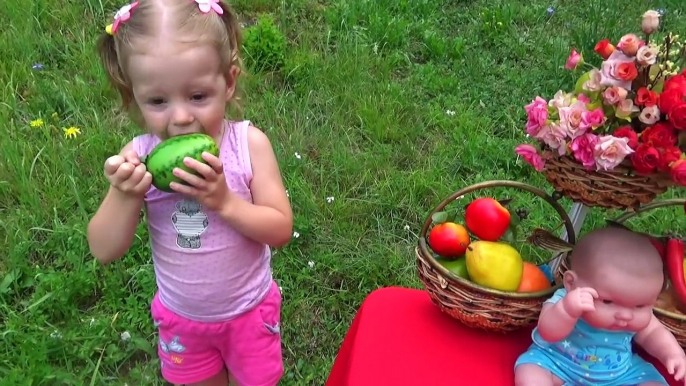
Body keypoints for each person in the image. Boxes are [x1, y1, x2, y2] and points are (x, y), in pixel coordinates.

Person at [86, 1, 293, 385]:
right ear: (134, 98)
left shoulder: (248, 146)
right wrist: (125, 194)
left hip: (249, 313)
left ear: (228, 82)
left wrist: (225, 202)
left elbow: (280, 229)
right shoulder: (142, 158)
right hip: (184, 321)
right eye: (158, 101)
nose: (181, 118)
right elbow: (103, 249)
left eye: (198, 96)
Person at [514, 226, 686, 386]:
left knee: (653, 381)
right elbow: (547, 331)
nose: (625, 316)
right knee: (530, 371)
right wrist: (566, 311)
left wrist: (673, 354)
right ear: (572, 283)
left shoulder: (631, 310)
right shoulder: (566, 301)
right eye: (608, 301)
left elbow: (653, 333)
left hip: (621, 374)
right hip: (559, 364)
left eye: (640, 306)